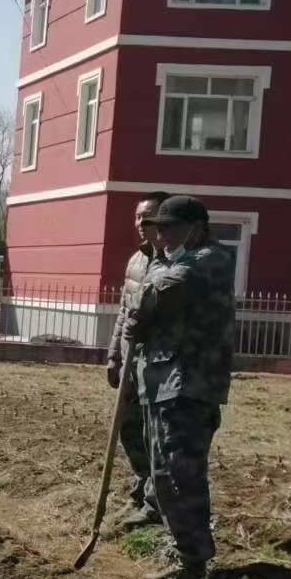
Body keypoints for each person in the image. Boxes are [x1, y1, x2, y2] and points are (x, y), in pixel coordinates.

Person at [125, 195, 236, 579]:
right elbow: (144, 297)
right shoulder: (169, 259)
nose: (160, 234)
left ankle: (192, 569)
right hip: (161, 383)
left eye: (169, 227)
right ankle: (185, 558)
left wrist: (143, 299)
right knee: (164, 476)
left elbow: (164, 290)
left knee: (181, 476)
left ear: (196, 226)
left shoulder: (211, 259)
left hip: (189, 385)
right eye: (158, 227)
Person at [106, 192, 171, 530]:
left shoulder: (174, 263)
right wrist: (114, 355)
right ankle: (142, 480)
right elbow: (124, 312)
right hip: (131, 361)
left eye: (148, 219)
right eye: (137, 218)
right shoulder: (136, 261)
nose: (140, 225)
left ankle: (155, 501)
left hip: (159, 364)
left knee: (154, 433)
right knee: (128, 427)